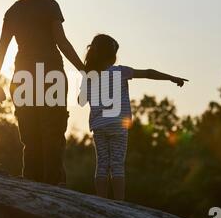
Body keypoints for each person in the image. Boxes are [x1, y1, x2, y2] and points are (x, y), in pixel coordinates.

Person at [0, 0, 85, 185]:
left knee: (30, 138)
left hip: (22, 77)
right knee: (52, 135)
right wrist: (84, 70)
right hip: (50, 75)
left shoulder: (13, 10)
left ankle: (31, 188)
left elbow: (0, 50)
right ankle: (55, 189)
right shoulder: (50, 6)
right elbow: (61, 42)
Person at [80, 34, 188, 200]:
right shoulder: (120, 71)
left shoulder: (89, 75)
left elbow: (81, 101)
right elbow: (148, 73)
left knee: (102, 164)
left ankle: (101, 201)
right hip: (118, 124)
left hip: (99, 125)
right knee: (117, 164)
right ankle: (119, 203)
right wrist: (171, 78)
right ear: (112, 55)